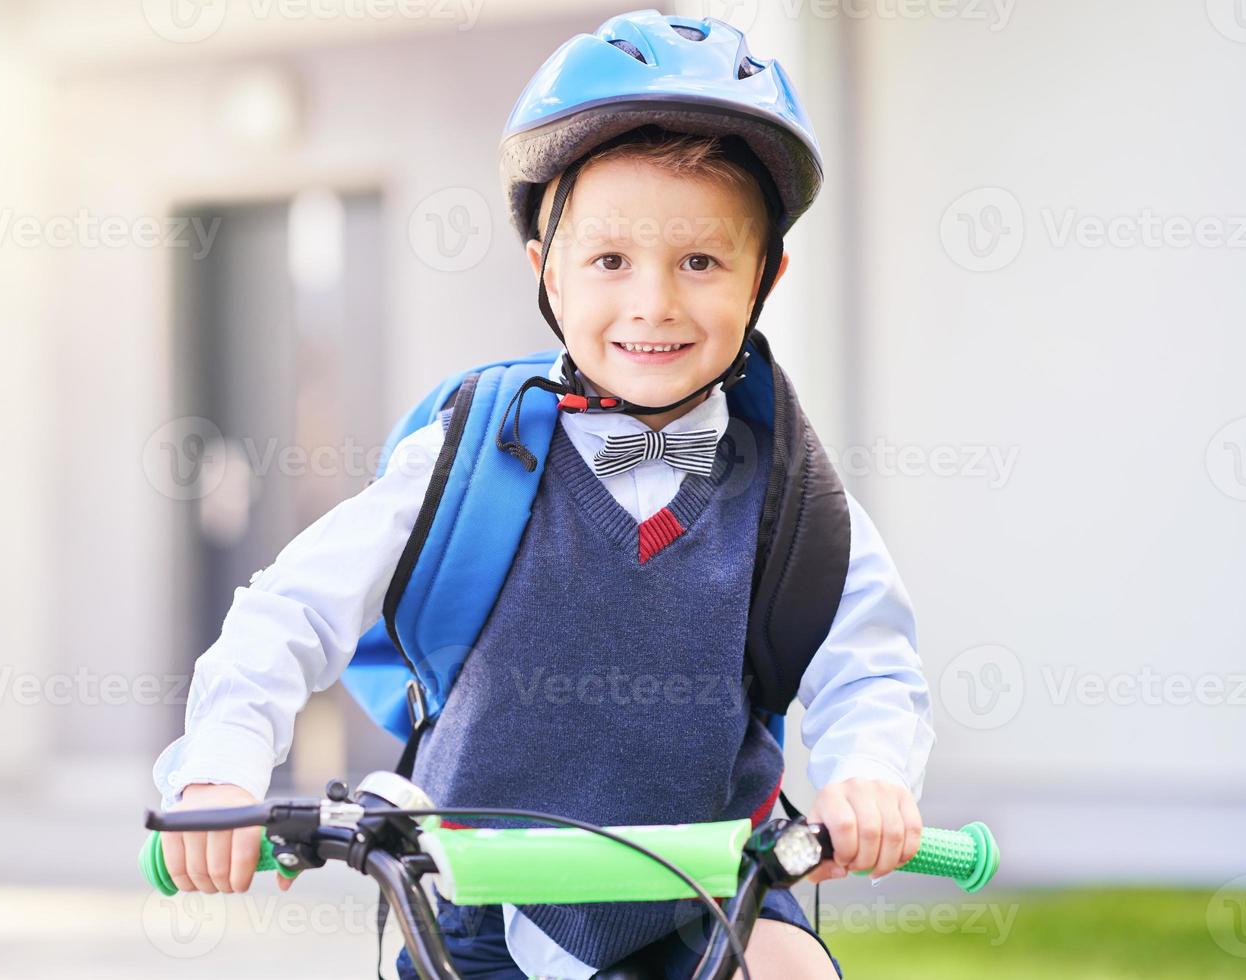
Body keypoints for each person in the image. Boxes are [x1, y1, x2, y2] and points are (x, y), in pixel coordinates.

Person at [152, 11, 933, 979]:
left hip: (708, 892)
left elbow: (871, 665)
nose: (652, 301)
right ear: (547, 272)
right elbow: (292, 608)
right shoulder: (470, 457)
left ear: (765, 275)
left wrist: (871, 775)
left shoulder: (792, 498)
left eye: (701, 260)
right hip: (483, 897)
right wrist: (220, 762)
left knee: (790, 971)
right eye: (611, 260)